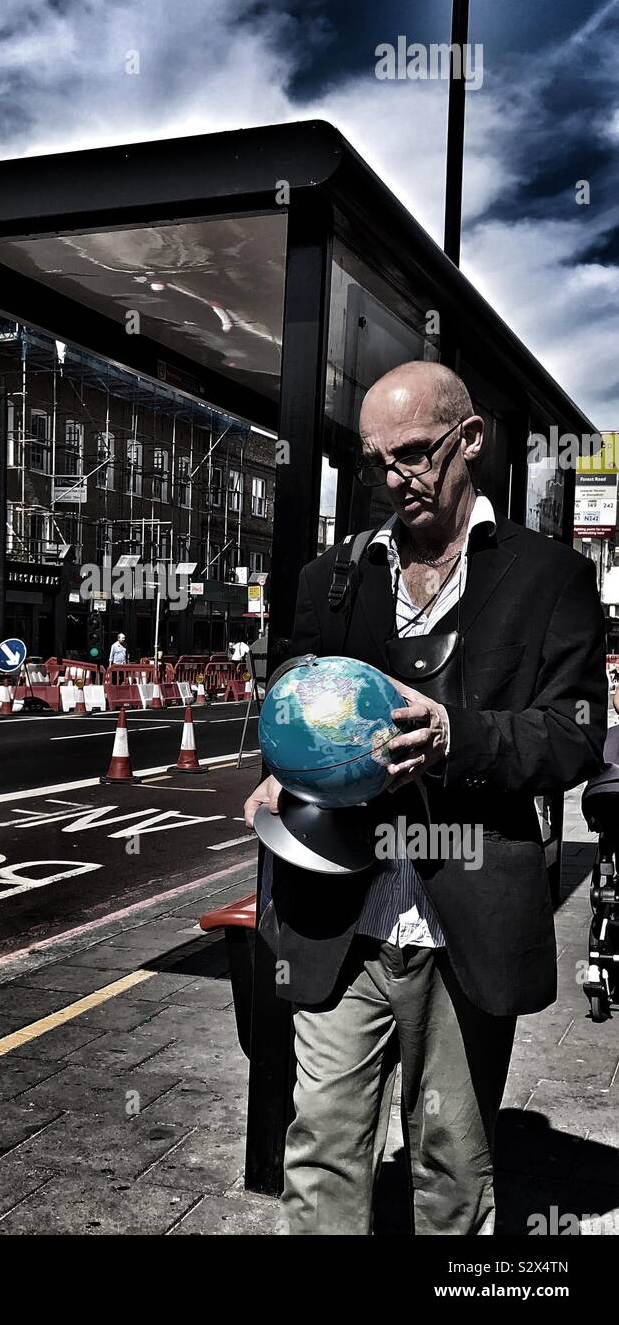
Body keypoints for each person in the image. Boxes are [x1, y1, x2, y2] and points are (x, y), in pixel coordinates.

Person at [243, 360, 605, 1236]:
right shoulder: (335, 575)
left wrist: (458, 737)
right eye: (376, 463)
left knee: (451, 1172)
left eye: (412, 454)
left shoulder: (548, 578)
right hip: (339, 917)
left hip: (465, 927)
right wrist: (285, 761)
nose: (393, 479)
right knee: (321, 1150)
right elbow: (297, 682)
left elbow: (574, 734)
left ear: (468, 440)